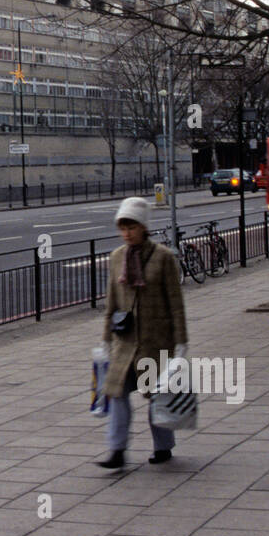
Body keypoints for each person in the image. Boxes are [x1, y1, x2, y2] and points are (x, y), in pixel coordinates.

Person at [98, 196, 189, 471]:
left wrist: (181, 342)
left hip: (155, 340)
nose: (126, 233)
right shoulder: (116, 258)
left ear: (144, 227)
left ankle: (163, 446)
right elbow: (112, 301)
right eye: (122, 228)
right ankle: (117, 449)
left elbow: (176, 302)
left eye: (132, 227)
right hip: (124, 341)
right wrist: (105, 339)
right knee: (117, 394)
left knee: (156, 396)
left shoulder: (163, 257)